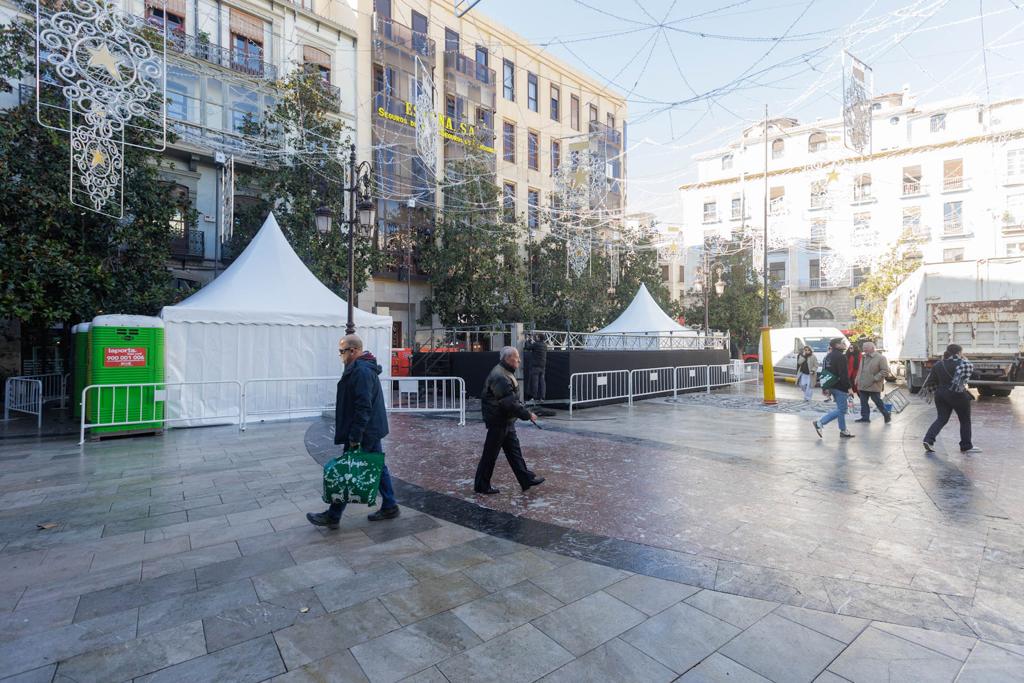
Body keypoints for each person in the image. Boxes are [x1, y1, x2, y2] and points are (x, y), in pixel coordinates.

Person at [307, 334, 399, 529]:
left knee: (347, 469)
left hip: (364, 431)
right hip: (370, 429)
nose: (341, 355)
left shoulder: (361, 371)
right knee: (377, 466)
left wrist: (355, 436)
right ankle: (390, 505)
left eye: (342, 351)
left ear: (354, 350)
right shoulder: (361, 368)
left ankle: (333, 515)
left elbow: (363, 406)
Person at [474, 346, 546, 494]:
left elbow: (511, 399)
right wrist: (527, 415)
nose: (519, 360)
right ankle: (481, 485)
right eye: (516, 357)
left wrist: (523, 412)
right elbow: (509, 403)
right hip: (498, 421)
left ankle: (525, 479)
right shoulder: (500, 376)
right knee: (490, 454)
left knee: (514, 452)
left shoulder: (504, 372)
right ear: (507, 359)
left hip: (505, 420)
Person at [923, 344, 981, 453]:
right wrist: (967, 361)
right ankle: (966, 446)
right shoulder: (963, 364)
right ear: (959, 352)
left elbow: (931, 380)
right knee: (964, 420)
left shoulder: (938, 364)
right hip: (957, 394)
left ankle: (928, 440)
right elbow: (975, 375)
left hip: (940, 394)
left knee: (941, 419)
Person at [813, 338, 855, 439]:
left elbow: (824, 372)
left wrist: (825, 387)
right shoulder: (841, 356)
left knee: (840, 409)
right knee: (842, 410)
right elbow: (843, 374)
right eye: (842, 343)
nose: (845, 344)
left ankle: (843, 430)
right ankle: (820, 422)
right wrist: (849, 388)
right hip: (840, 386)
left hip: (831, 385)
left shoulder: (828, 356)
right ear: (837, 345)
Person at [855, 341, 891, 424]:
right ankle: (865, 417)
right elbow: (860, 369)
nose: (864, 349)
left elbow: (885, 371)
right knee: (863, 402)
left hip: (874, 385)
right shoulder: (863, 357)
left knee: (877, 401)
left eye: (866, 348)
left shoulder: (881, 358)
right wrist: (857, 378)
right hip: (862, 384)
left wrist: (875, 378)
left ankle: (886, 415)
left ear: (872, 348)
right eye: (863, 348)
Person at [523, 333, 548, 405]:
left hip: (535, 366)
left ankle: (535, 397)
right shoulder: (544, 345)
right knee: (542, 382)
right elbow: (535, 347)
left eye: (536, 337)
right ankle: (542, 397)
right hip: (542, 366)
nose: (535, 337)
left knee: (535, 382)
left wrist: (527, 340)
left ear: (539, 338)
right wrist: (532, 341)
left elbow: (527, 347)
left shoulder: (536, 344)